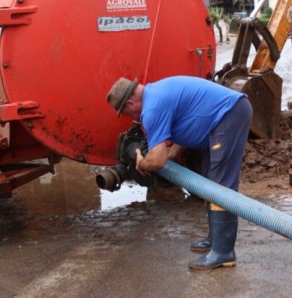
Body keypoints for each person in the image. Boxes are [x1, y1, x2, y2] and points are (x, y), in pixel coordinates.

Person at [106, 76, 252, 271]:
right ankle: (216, 239)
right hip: (222, 117)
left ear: (131, 103)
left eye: (124, 112)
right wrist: (173, 151)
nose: (130, 117)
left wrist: (142, 162)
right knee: (211, 181)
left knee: (220, 186)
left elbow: (156, 160)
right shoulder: (156, 94)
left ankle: (223, 252)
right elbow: (191, 117)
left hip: (229, 115)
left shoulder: (151, 108)